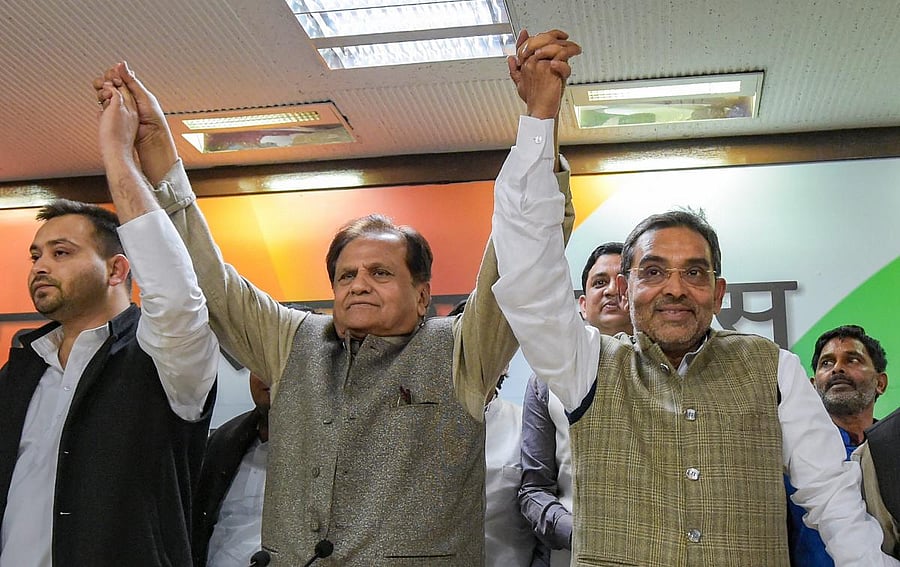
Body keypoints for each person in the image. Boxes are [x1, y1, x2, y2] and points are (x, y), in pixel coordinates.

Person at [92, 32, 577, 564]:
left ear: (422, 296)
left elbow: (523, 256)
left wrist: (540, 118)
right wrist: (159, 156)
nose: (358, 284)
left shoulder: (461, 353)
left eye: (380, 272)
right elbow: (209, 281)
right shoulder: (295, 342)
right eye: (346, 276)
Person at [490, 32, 897, 566]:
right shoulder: (585, 365)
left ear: (718, 291)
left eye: (695, 272)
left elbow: (833, 500)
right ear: (625, 289)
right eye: (654, 271)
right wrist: (539, 118)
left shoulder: (774, 369)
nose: (676, 288)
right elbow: (525, 273)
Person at [0, 76, 218, 565]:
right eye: (36, 255)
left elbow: (177, 295)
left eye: (61, 252)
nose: (40, 266)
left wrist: (119, 157)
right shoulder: (22, 367)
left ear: (118, 270)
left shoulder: (163, 357)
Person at [519, 242, 633, 566]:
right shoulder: (546, 380)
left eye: (622, 281)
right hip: (571, 552)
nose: (612, 290)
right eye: (600, 282)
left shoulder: (670, 370)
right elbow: (534, 489)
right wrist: (579, 533)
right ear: (582, 305)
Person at [787, 325, 889, 565]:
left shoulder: (892, 449)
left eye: (852, 360)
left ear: (880, 383)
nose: (837, 369)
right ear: (812, 386)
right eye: (827, 363)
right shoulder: (789, 459)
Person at [194, 373, 271, 567]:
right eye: (260, 366)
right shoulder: (223, 441)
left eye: (279, 366)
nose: (268, 375)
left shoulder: (329, 452)